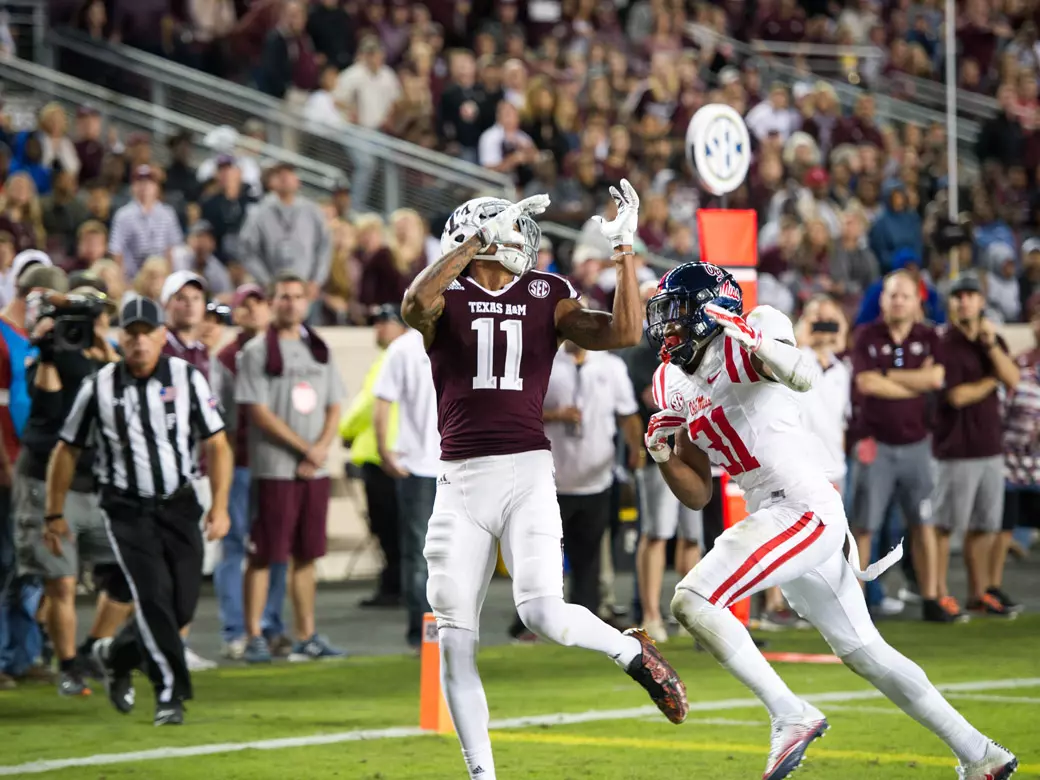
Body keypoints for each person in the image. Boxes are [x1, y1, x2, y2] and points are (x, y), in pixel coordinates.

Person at [643, 261, 1018, 780]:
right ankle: (980, 754)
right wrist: (662, 454)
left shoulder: (753, 329)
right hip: (773, 514)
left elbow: (802, 376)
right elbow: (698, 494)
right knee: (865, 652)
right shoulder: (671, 380)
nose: (668, 330)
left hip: (801, 506)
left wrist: (754, 341)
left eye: (678, 316)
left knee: (692, 598)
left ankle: (789, 712)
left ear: (711, 311)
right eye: (665, 319)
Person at [402, 181, 688, 780]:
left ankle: (632, 653)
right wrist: (471, 242)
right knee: (455, 630)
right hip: (459, 479)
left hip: (528, 471)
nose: (524, 242)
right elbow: (412, 305)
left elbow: (625, 333)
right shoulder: (445, 294)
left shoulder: (546, 293)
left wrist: (625, 252)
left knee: (542, 613)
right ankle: (482, 774)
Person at [48, 296, 232, 726]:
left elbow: (218, 443)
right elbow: (66, 448)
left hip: (179, 503)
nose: (139, 342)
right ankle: (170, 693)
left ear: (162, 336)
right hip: (127, 509)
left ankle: (114, 652)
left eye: (147, 333)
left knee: (183, 605)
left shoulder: (187, 378)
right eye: (130, 334)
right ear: (120, 338)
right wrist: (53, 512)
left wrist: (219, 506)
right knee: (152, 599)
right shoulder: (100, 386)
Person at [15, 278, 131, 697]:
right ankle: (67, 667)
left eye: (94, 315)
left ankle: (87, 652)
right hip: (47, 482)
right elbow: (47, 411)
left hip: (96, 484)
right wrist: (47, 350)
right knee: (59, 581)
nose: (85, 324)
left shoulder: (110, 361)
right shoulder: (48, 354)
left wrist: (105, 347)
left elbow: (130, 402)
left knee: (127, 574)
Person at [235, 271, 345, 663]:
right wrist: (306, 449)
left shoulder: (319, 348)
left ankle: (307, 634)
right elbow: (258, 412)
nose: (291, 303)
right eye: (283, 296)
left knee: (307, 555)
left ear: (307, 301)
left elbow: (335, 404)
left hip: (313, 470)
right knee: (264, 553)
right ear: (271, 303)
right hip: (275, 469)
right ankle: (253, 636)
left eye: (297, 296)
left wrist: (320, 449)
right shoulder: (255, 352)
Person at [849, 271, 948, 620]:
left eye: (905, 295)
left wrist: (887, 375)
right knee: (864, 525)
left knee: (924, 523)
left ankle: (933, 598)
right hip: (875, 444)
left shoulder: (929, 336)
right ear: (882, 300)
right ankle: (856, 603)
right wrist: (915, 382)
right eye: (892, 295)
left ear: (917, 300)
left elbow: (936, 378)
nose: (898, 301)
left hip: (917, 444)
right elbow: (866, 383)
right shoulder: (866, 335)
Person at [932, 275, 1021, 617]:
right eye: (958, 297)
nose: (964, 302)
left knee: (984, 526)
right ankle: (940, 594)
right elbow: (956, 396)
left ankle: (978, 592)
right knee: (944, 527)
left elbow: (1013, 379)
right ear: (951, 303)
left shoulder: (991, 339)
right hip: (956, 448)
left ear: (982, 301)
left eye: (970, 296)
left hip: (989, 446)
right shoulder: (943, 343)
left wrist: (991, 347)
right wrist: (990, 380)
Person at [211, 283, 289, 659]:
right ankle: (235, 631)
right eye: (246, 307)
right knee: (234, 544)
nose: (254, 312)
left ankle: (270, 626)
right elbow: (218, 423)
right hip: (239, 462)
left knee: (274, 546)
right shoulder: (227, 358)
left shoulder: (285, 350)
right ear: (237, 314)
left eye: (260, 305)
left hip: (276, 464)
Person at [543, 332, 643, 615]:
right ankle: (537, 618)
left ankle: (583, 618)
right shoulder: (545, 361)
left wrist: (637, 450)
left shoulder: (611, 366)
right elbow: (520, 412)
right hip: (550, 478)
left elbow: (628, 414)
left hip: (597, 478)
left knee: (589, 557)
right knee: (545, 554)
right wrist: (555, 415)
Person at [372, 308, 439, 649]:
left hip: (455, 464)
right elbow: (381, 402)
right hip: (418, 466)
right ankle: (424, 634)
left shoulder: (460, 339)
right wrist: (385, 452)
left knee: (449, 554)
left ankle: (448, 632)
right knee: (420, 554)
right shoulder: (404, 348)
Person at [339, 303, 403, 609]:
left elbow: (367, 404)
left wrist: (345, 428)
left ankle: (396, 588)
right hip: (394, 454)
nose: (378, 328)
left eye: (385, 322)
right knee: (397, 526)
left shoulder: (391, 357)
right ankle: (398, 585)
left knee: (389, 526)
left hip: (383, 455)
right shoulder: (413, 355)